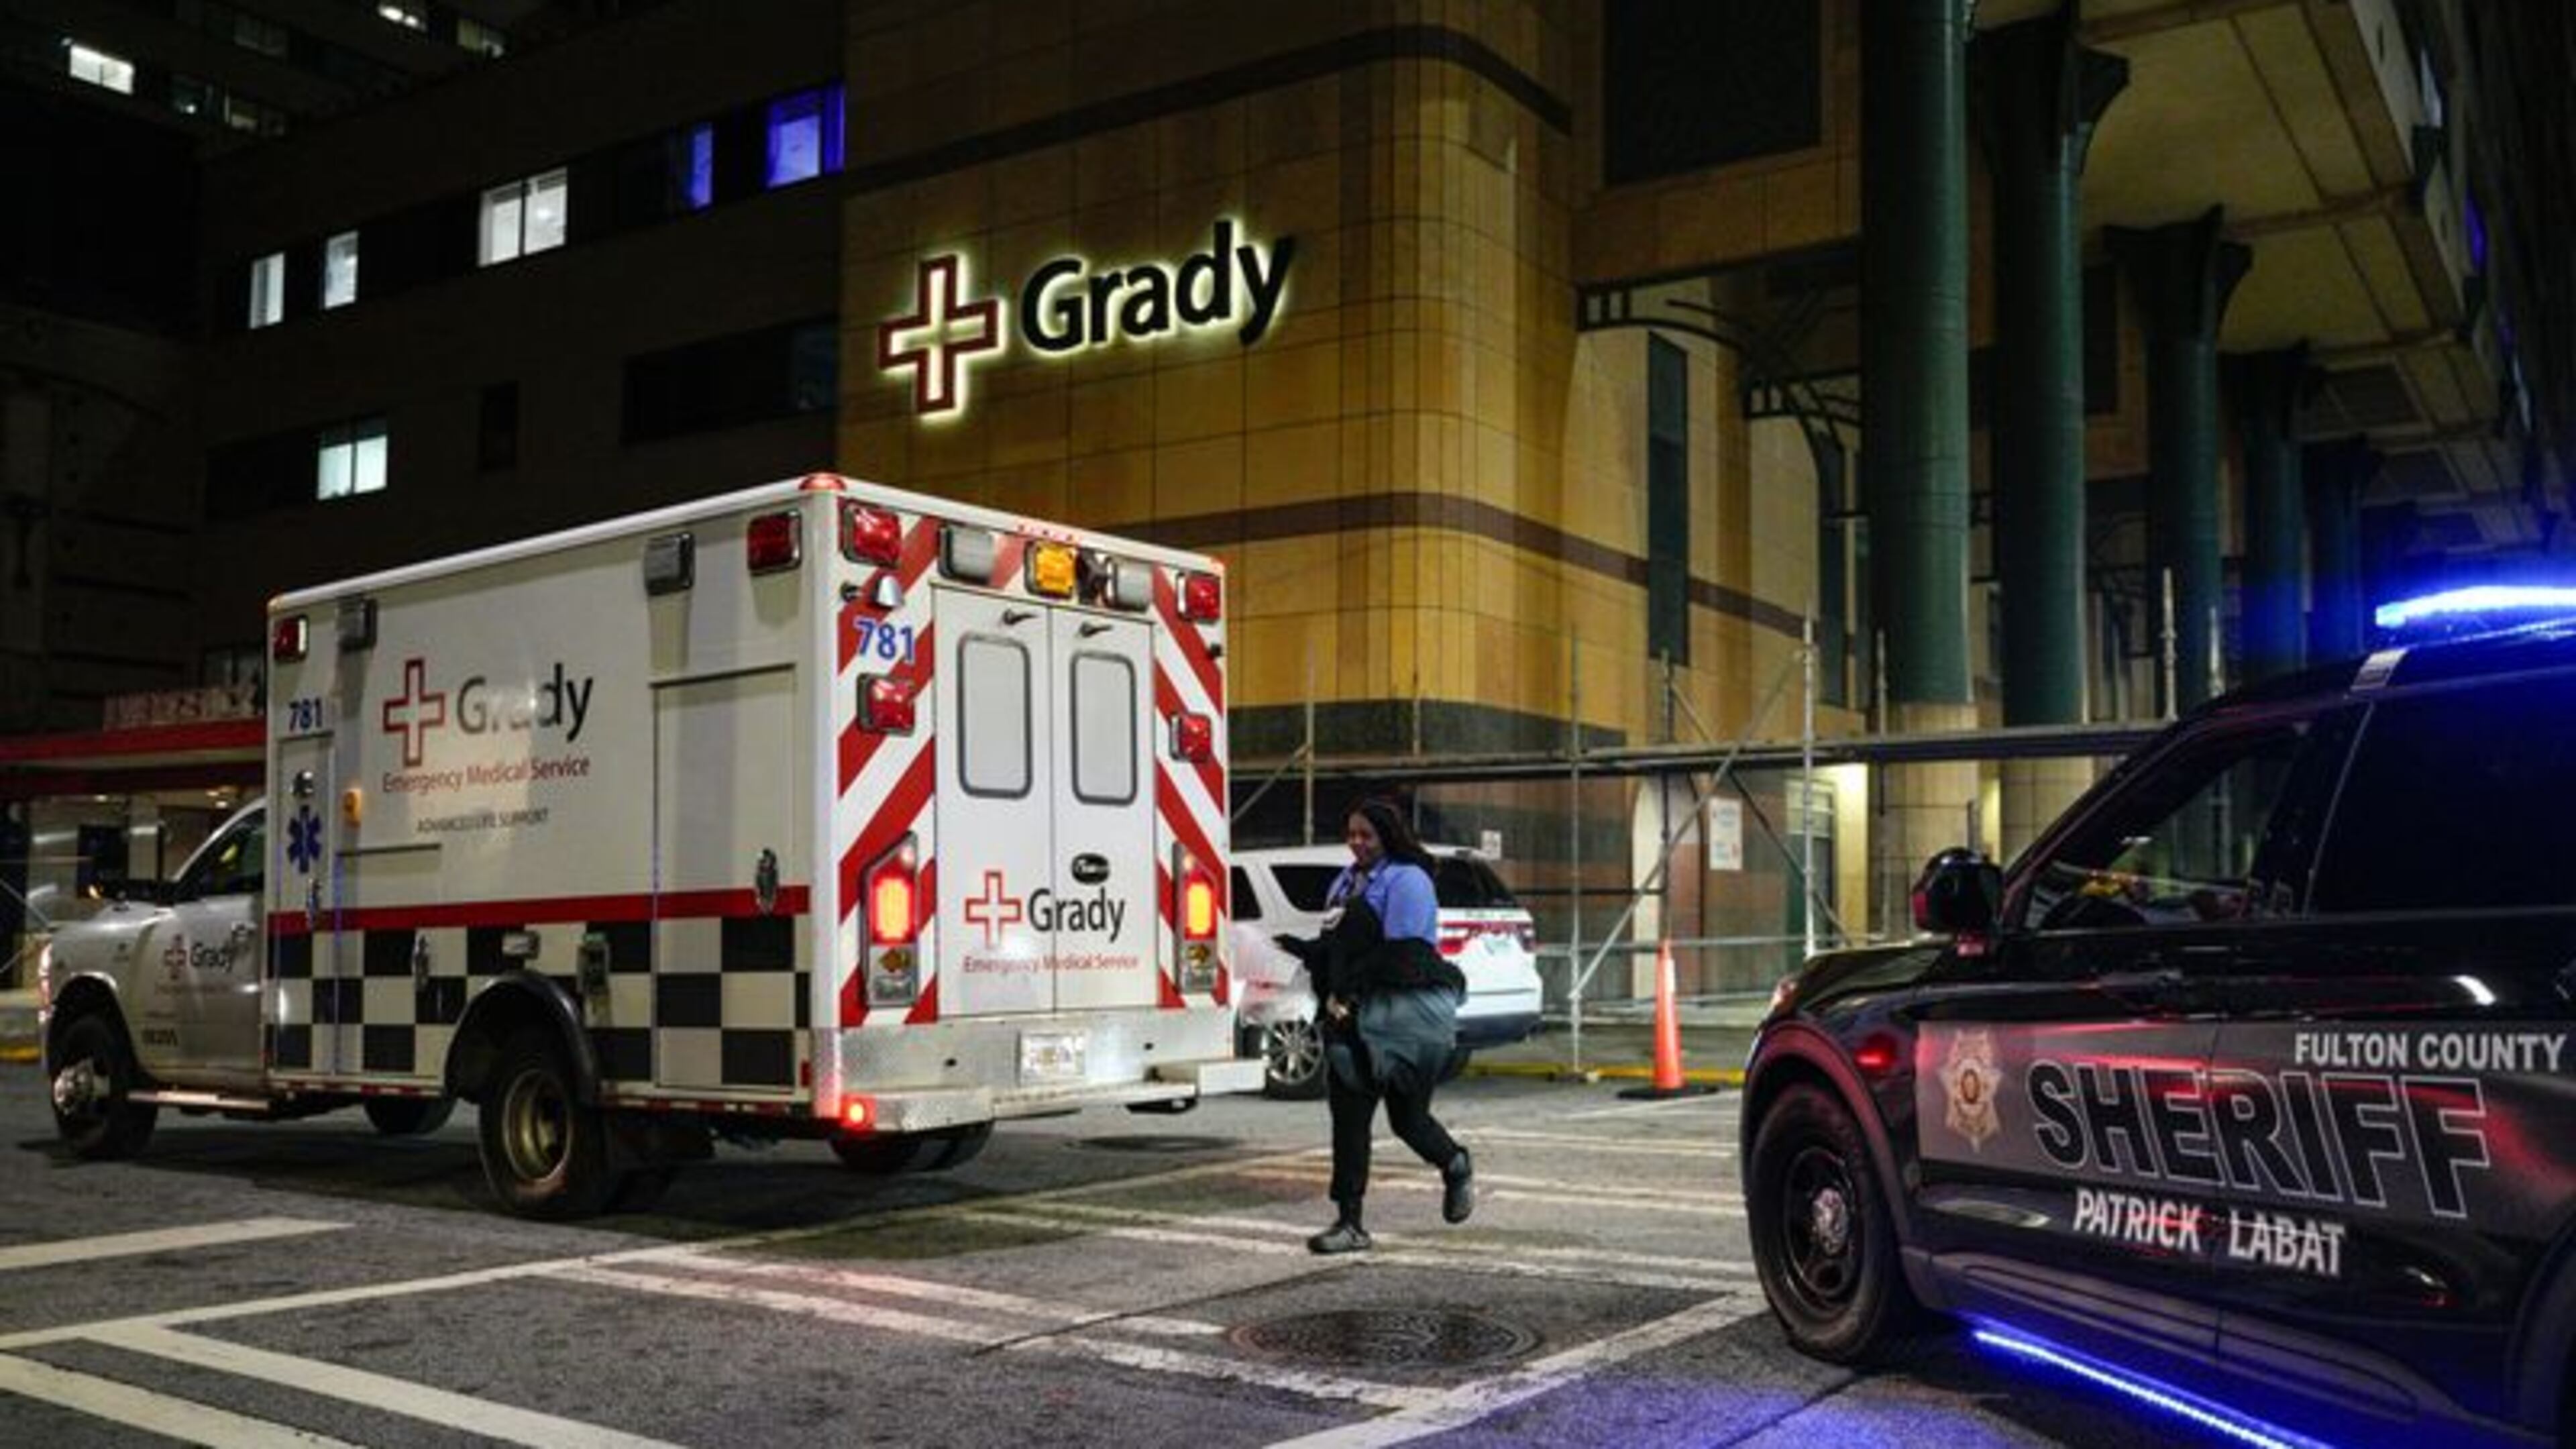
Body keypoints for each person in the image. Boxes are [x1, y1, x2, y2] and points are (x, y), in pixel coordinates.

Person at [1273, 798, 1474, 1254]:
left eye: (1366, 835)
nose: (1357, 843)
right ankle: (1350, 1223)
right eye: (1352, 835)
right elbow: (1339, 944)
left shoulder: (1409, 880)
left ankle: (1455, 1163)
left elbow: (1403, 955)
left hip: (1398, 1018)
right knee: (1349, 1122)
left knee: (1409, 1121)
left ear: (1388, 835)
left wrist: (1351, 990)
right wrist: (1300, 950)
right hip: (1350, 1020)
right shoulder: (1346, 881)